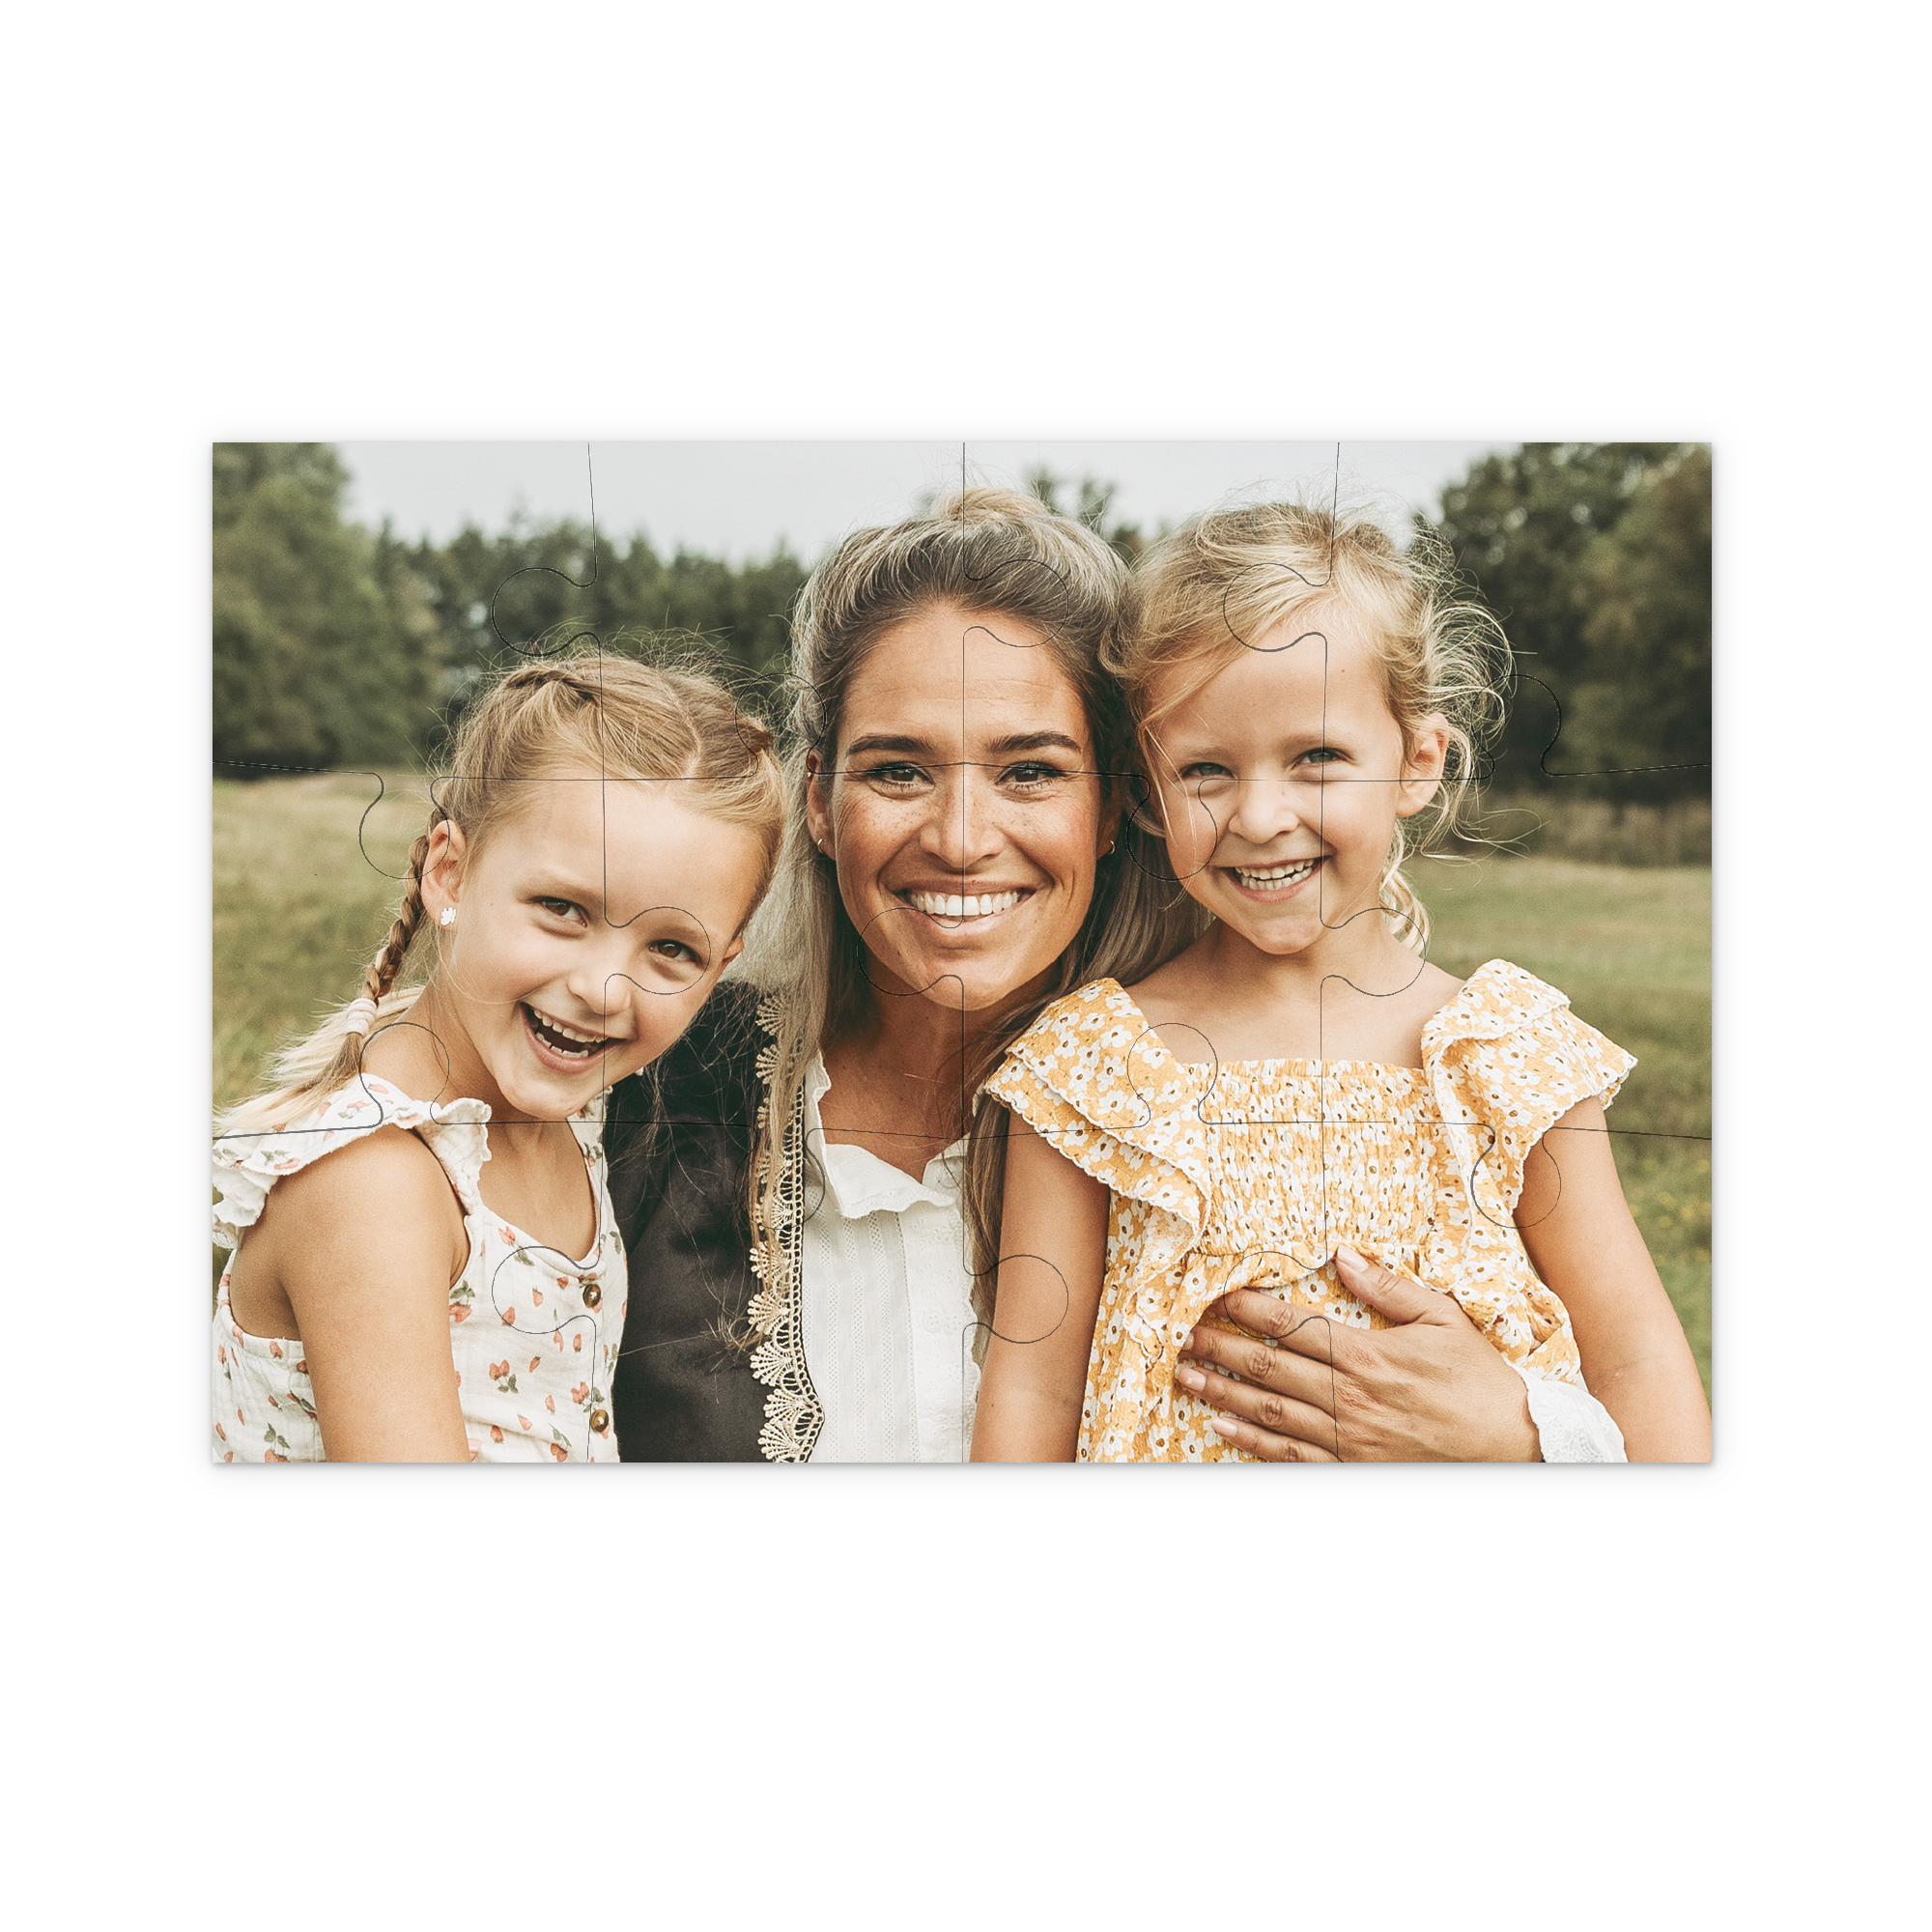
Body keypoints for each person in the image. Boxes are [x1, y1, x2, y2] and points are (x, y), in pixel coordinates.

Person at [608, 489, 1633, 1463]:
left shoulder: (1245, 1097)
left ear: (1112, 806)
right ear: (821, 799)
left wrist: (1527, 1431)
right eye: (898, 769)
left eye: (1031, 770)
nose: (963, 839)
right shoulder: (646, 1090)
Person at [972, 502, 1712, 1463]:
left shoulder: (1502, 1052)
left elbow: (1642, 1367)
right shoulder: (1093, 1063)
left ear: (1416, 761)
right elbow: (1030, 1387)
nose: (1261, 814)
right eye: (1204, 769)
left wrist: (1529, 1442)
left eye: (1316, 756)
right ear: (1149, 793)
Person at [211, 653, 785, 1463]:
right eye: (563, 908)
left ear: (720, 968)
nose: (603, 988)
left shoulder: (564, 1118)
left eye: (672, 950)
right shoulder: (375, 1182)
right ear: (450, 873)